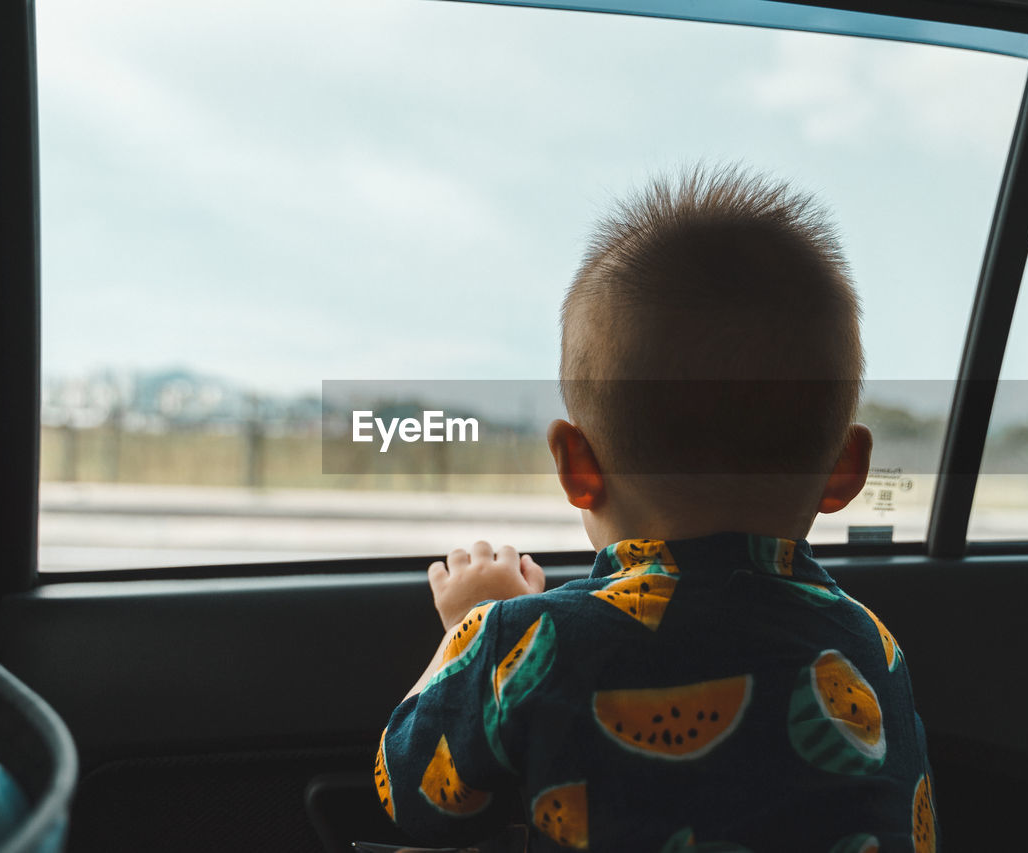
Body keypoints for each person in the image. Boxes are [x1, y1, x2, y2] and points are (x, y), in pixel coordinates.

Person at [374, 165, 937, 852]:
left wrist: (470, 628)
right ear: (845, 471)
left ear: (576, 466)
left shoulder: (525, 641)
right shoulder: (872, 647)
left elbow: (414, 796)